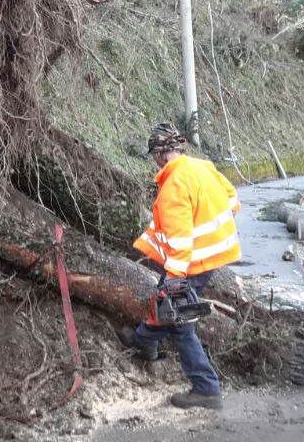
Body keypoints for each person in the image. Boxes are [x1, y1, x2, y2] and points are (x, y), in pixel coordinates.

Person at [116, 122, 241, 410]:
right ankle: (143, 342)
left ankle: (206, 388)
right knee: (167, 307)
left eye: (154, 157)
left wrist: (173, 279)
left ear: (160, 155)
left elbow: (181, 239)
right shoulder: (203, 167)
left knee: (178, 319)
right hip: (212, 254)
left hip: (192, 261)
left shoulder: (173, 185)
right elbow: (233, 200)